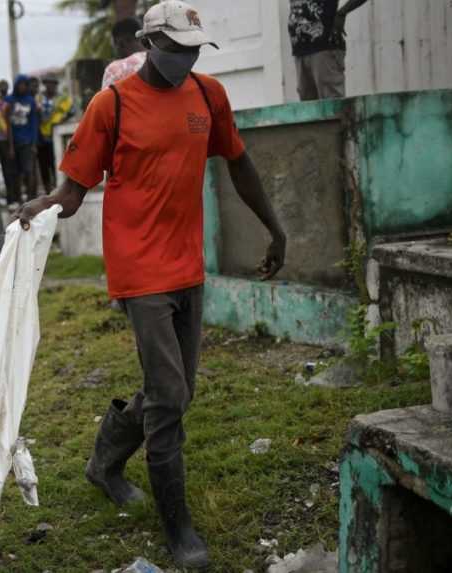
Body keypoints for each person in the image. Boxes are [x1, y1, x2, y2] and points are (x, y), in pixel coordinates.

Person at [16, 2, 287, 568]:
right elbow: (73, 191)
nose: (186, 60)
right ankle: (178, 528)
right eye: (176, 49)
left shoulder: (208, 94)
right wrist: (45, 205)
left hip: (188, 265)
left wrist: (275, 227)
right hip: (139, 271)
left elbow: (238, 162)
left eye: (193, 50)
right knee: (169, 398)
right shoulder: (111, 105)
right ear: (148, 42)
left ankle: (104, 461)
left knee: (177, 391)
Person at [289, 0, 369, 101]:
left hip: (324, 48)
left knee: (332, 107)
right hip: (300, 50)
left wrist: (342, 13)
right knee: (308, 111)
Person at [5, 75, 41, 202]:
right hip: (12, 141)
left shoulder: (30, 100)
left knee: (29, 171)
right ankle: (19, 198)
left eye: (25, 84)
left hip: (27, 141)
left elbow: (33, 123)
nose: (22, 87)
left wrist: (34, 143)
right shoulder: (9, 100)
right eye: (20, 84)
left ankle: (31, 198)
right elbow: (7, 122)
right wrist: (10, 146)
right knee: (15, 173)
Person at [36, 77, 73, 193]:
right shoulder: (38, 98)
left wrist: (60, 122)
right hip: (41, 137)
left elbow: (71, 112)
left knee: (57, 164)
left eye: (53, 83)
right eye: (48, 83)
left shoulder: (63, 98)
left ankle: (59, 189)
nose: (50, 86)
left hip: (57, 137)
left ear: (56, 85)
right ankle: (48, 191)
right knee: (44, 165)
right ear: (44, 84)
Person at [0, 81, 19, 207]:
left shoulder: (5, 106)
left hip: (4, 142)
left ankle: (11, 199)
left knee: (8, 171)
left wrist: (11, 147)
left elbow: (9, 127)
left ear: (0, 92)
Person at [102, 18, 149, 88]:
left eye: (118, 45)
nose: (118, 49)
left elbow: (107, 98)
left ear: (122, 42)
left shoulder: (115, 69)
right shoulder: (162, 59)